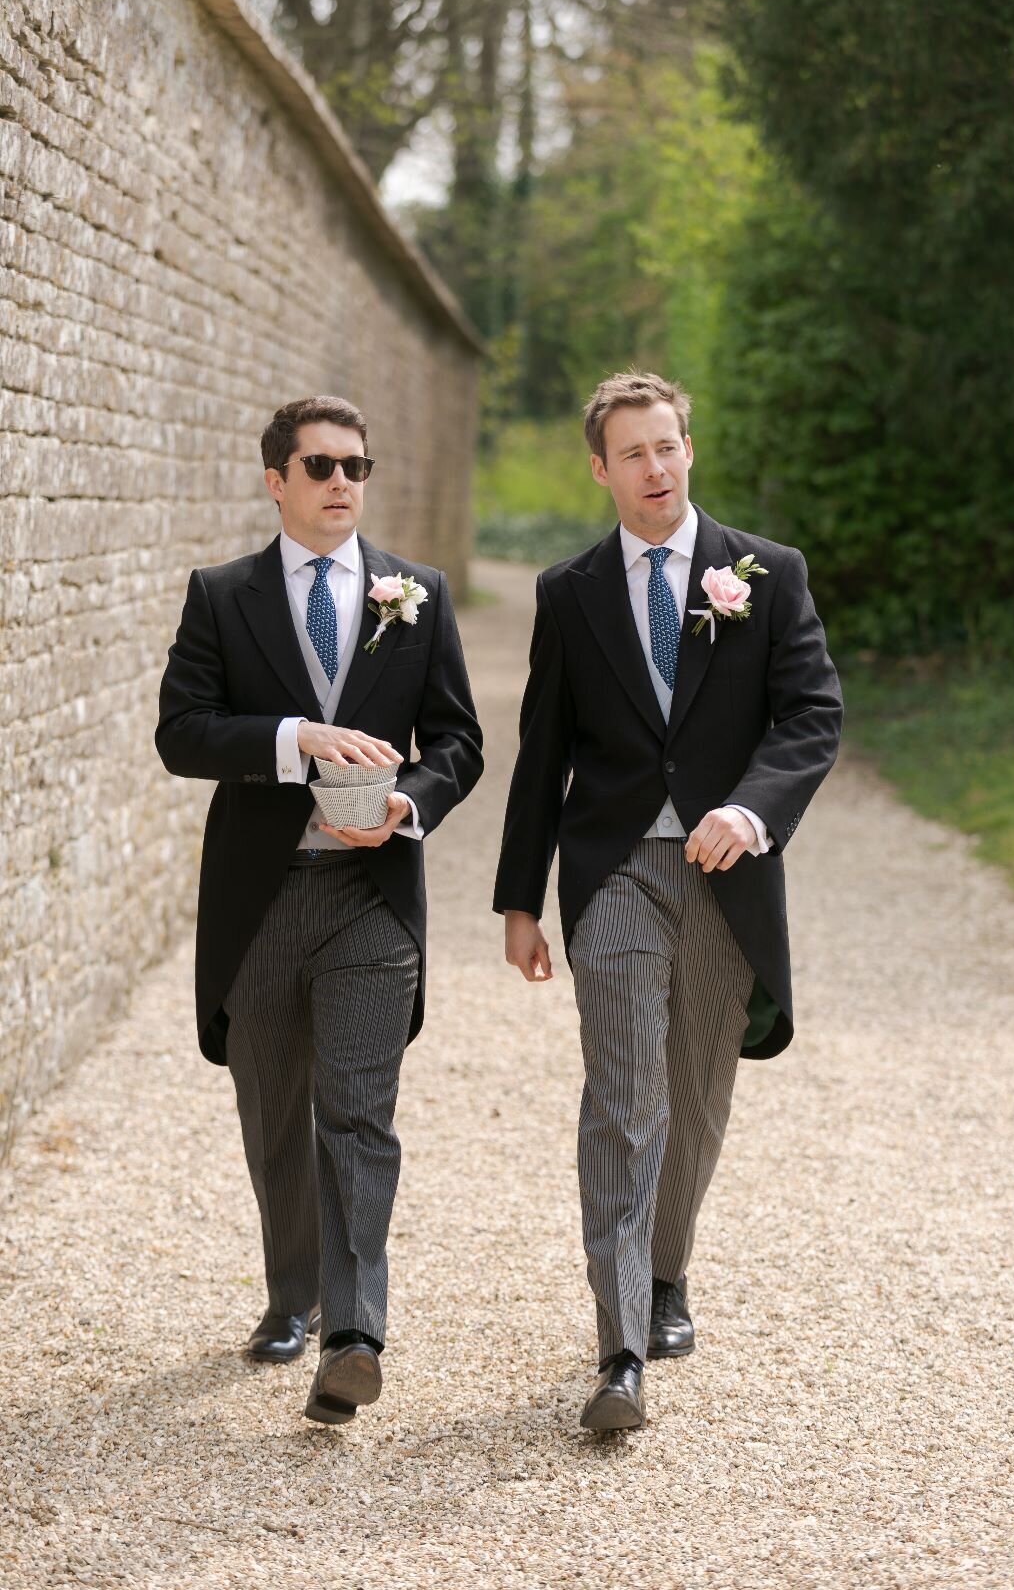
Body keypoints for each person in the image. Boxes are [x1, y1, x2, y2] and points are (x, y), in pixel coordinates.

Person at [493, 371, 842, 1431]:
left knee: (691, 1098)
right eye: (632, 452)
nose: (655, 467)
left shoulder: (765, 574)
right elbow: (541, 750)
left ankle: (666, 1272)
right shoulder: (569, 592)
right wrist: (518, 899)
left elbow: (810, 717)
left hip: (726, 877)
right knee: (623, 1093)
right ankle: (620, 1345)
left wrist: (749, 810)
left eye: (669, 446)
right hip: (612, 877)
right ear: (599, 467)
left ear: (690, 447)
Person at [157, 394, 482, 1425]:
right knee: (274, 1113)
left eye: (358, 465)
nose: (344, 481)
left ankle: (353, 1333)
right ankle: (291, 1296)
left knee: (356, 1109)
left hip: (370, 899)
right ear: (277, 479)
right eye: (323, 465)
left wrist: (408, 803)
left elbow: (460, 743)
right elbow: (182, 734)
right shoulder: (222, 595)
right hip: (257, 897)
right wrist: (297, 735)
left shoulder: (416, 595)